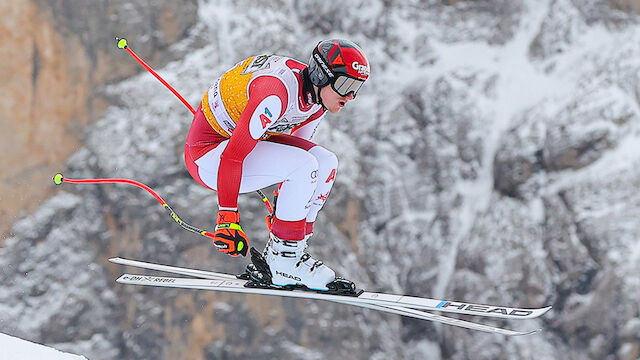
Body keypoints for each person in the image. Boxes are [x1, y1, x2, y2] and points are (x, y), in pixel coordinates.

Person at [184, 39, 370, 291]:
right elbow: (232, 156)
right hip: (209, 158)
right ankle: (285, 263)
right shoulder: (276, 93)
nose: (350, 96)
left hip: (240, 147)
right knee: (304, 165)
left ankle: (288, 252)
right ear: (321, 75)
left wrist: (285, 210)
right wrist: (227, 217)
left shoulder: (316, 100)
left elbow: (295, 155)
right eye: (345, 85)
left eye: (356, 88)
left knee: (326, 162)